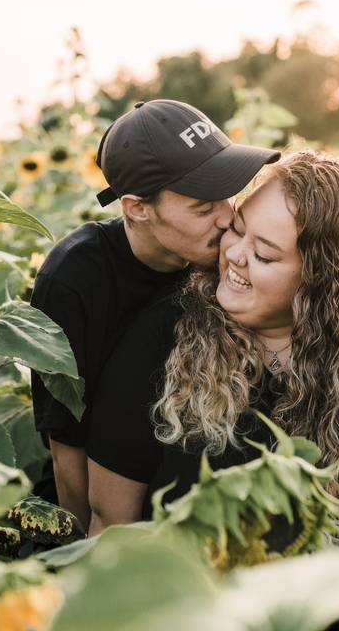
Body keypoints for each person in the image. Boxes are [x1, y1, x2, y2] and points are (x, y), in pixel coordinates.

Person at [87, 148, 339, 546]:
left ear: (322, 283)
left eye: (264, 254)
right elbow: (109, 519)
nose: (236, 255)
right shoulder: (168, 332)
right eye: (237, 230)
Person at [30, 99, 280, 531]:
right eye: (203, 208)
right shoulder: (75, 281)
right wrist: (79, 559)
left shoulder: (229, 253)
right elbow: (66, 445)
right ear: (137, 209)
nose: (227, 219)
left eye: (227, 195)